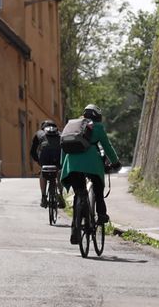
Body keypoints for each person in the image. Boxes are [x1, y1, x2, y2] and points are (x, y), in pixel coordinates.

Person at [60, 104, 122, 244]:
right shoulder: (98, 127)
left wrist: (63, 164)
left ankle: (75, 227)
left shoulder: (72, 125)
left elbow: (64, 146)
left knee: (79, 193)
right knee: (98, 189)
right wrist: (116, 163)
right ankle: (101, 215)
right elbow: (107, 146)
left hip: (72, 165)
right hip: (92, 164)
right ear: (97, 116)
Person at [30, 119, 65, 208]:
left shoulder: (39, 133)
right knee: (58, 171)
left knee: (43, 171)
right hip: (58, 154)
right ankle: (60, 196)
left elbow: (33, 151)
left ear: (43, 127)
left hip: (45, 155)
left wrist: (38, 162)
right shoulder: (60, 134)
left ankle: (43, 197)